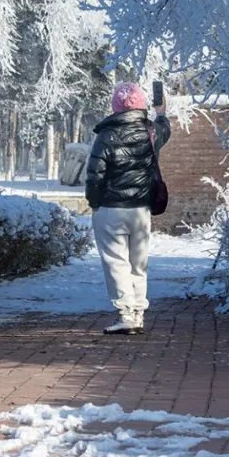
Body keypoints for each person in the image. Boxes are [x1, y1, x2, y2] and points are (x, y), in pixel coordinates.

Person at [85, 80, 171, 334]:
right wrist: (162, 112)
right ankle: (138, 313)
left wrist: (94, 202)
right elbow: (165, 129)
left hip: (111, 208)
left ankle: (126, 313)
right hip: (141, 210)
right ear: (141, 105)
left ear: (115, 107)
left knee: (116, 262)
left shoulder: (106, 135)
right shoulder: (150, 132)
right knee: (138, 263)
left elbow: (94, 175)